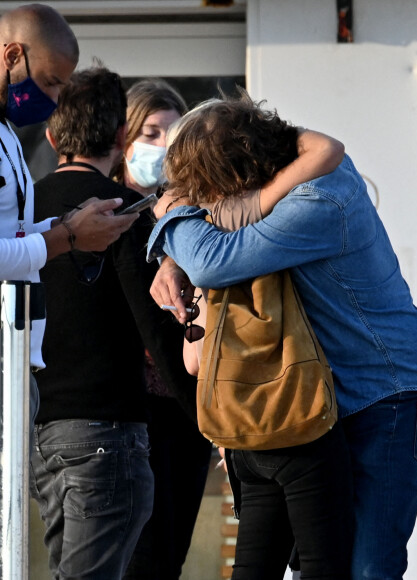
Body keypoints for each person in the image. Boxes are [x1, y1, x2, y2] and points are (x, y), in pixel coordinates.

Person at [148, 90, 417, 580]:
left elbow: (213, 258)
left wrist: (169, 215)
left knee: (367, 566)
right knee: (316, 561)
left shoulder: (317, 200)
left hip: (391, 397)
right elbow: (219, 240)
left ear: (231, 175)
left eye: (203, 188)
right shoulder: (281, 192)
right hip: (332, 400)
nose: (202, 200)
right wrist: (170, 255)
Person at [157, 95, 353, 580]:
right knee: (325, 568)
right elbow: (328, 148)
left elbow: (194, 361)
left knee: (253, 569)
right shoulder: (282, 218)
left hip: (244, 439)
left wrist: (172, 230)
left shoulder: (205, 246)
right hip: (302, 426)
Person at [30, 65, 195, 580]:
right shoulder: (123, 213)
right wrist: (207, 415)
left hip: (42, 429)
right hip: (108, 429)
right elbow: (155, 324)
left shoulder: (26, 212)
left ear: (53, 136)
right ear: (122, 136)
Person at [0, 4, 138, 427]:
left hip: (17, 355)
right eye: (50, 82)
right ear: (12, 56)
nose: (56, 99)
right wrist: (68, 239)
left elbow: (12, 233)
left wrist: (62, 226)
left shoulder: (7, 132)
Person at [117, 79, 213, 580]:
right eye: (151, 132)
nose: (160, 147)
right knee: (144, 558)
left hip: (186, 410)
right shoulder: (109, 217)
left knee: (169, 556)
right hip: (137, 414)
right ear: (124, 136)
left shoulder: (191, 220)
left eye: (172, 137)